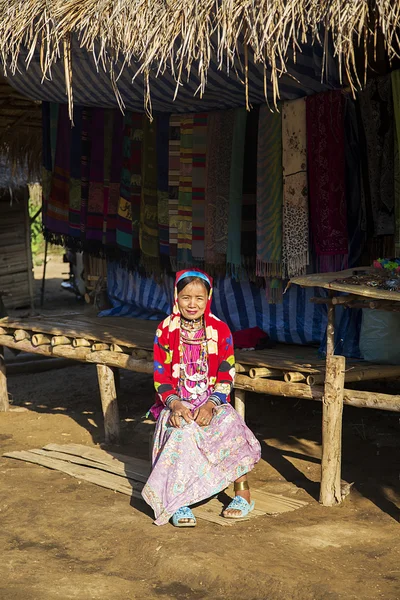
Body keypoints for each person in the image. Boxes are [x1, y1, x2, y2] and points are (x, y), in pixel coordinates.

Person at [141, 269, 261, 526]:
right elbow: (161, 378)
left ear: (209, 297)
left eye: (199, 297)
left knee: (231, 423)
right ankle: (178, 501)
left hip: (211, 402)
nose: (192, 304)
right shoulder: (165, 330)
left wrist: (211, 405)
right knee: (181, 431)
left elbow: (227, 375)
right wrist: (174, 405)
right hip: (176, 403)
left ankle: (243, 494)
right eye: (186, 297)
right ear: (176, 296)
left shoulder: (220, 330)